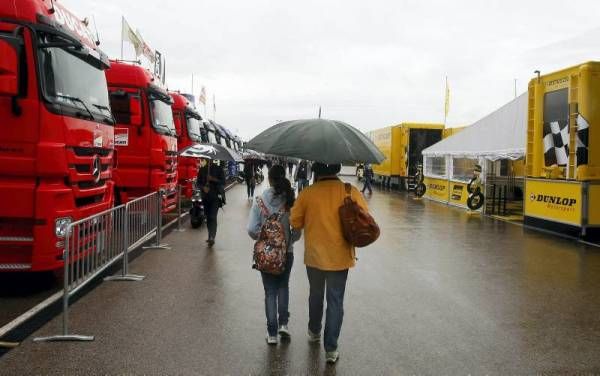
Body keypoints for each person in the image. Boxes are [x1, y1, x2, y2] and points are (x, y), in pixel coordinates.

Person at [290, 162, 369, 364]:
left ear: (316, 171)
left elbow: (295, 222)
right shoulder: (349, 191)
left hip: (315, 257)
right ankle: (331, 349)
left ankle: (314, 331)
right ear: (337, 169)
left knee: (316, 295)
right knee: (335, 301)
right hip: (340, 257)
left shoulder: (308, 193)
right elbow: (365, 216)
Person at [247, 165, 300, 345]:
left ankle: (271, 334)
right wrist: (290, 240)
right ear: (283, 176)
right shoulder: (290, 200)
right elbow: (298, 230)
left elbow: (251, 230)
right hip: (287, 252)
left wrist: (262, 237)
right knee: (283, 286)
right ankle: (283, 324)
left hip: (266, 254)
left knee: (270, 292)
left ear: (269, 178)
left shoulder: (260, 201)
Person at [196, 159, 225, 246]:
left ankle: (212, 236)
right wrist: (203, 188)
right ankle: (210, 236)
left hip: (215, 197)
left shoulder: (219, 169)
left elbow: (223, 182)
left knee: (213, 216)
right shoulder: (202, 169)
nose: (209, 160)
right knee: (208, 217)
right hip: (205, 198)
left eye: (211, 158)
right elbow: (198, 183)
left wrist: (213, 179)